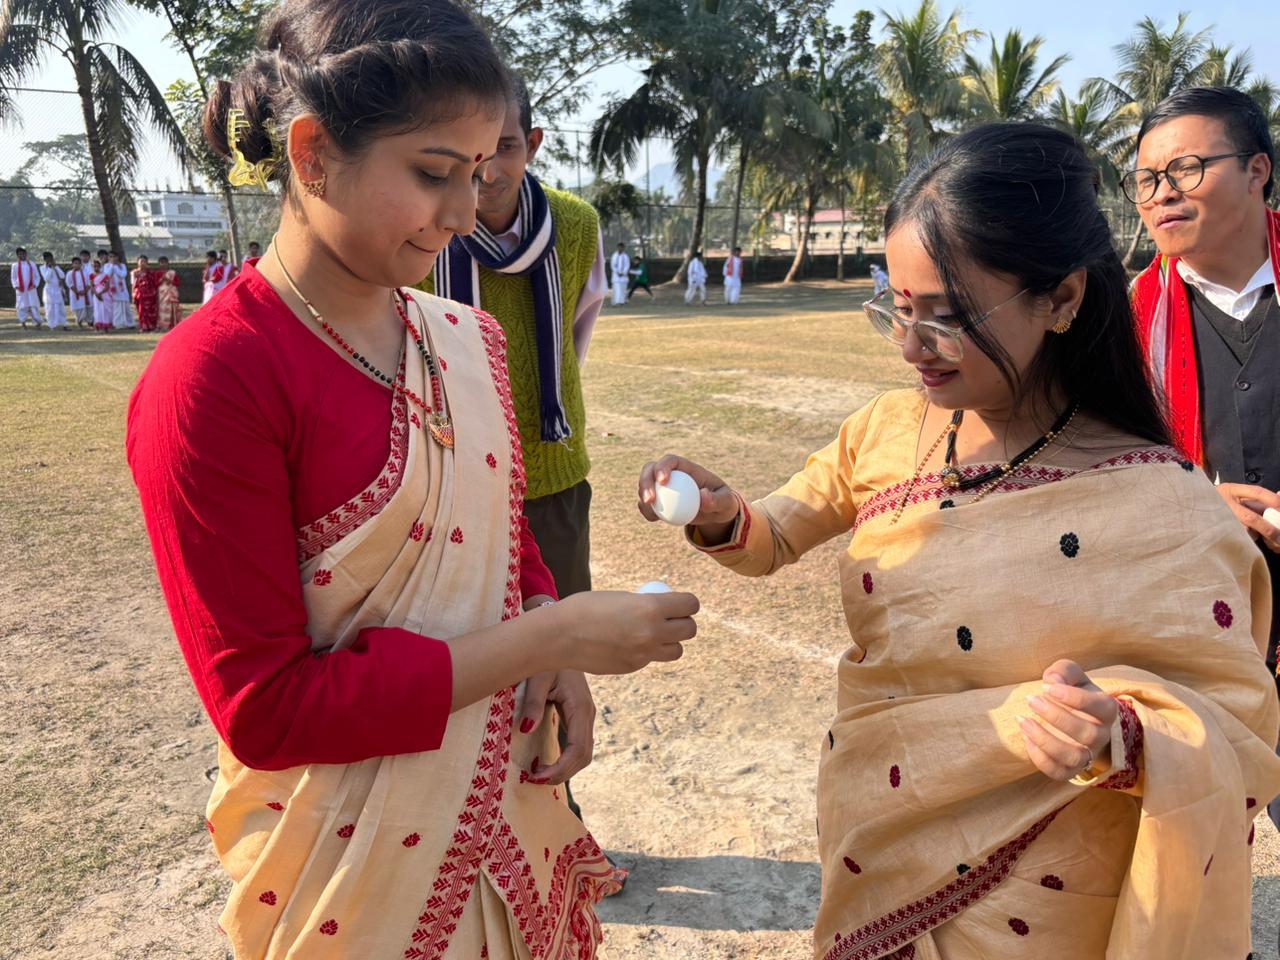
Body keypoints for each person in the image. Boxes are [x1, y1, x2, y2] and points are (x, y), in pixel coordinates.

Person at [126, 3, 698, 958]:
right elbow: (267, 709)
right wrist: (552, 634)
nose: (465, 214)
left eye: (478, 172)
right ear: (312, 153)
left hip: (507, 826)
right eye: (434, 174)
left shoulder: (467, 339)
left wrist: (545, 629)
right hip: (349, 870)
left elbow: (501, 528)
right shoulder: (213, 380)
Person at [639, 123, 1280, 958]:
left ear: (1063, 298)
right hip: (885, 855)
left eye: (947, 317)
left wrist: (1119, 737)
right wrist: (719, 512)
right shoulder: (884, 431)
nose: (912, 347)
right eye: (898, 309)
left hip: (1054, 905)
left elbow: (1240, 731)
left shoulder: (1166, 506)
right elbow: (772, 533)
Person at [418, 73, 612, 854]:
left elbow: (575, 336)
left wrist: (544, 416)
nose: (486, 170)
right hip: (454, 478)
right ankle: (472, 831)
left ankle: (556, 821)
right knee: (470, 653)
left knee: (559, 659)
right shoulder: (430, 222)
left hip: (552, 478)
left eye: (503, 148)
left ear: (532, 145)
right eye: (470, 152)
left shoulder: (576, 226)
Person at [1127, 86, 1280, 827]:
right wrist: (1197, 504)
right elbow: (1107, 469)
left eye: (1185, 169)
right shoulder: (1129, 320)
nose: (1162, 194)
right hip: (1214, 622)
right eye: (1146, 179)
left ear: (1257, 171)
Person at [10, 247, 41, 328]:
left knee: (33, 305)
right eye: (19, 254)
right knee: (22, 306)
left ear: (26, 254)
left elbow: (37, 276)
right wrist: (16, 286)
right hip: (21, 289)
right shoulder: (15, 265)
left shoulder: (32, 264)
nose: (22, 255)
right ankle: (23, 322)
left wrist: (34, 285)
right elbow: (13, 277)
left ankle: (37, 322)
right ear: (17, 255)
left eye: (23, 253)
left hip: (31, 289)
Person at [39, 251, 69, 330]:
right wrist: (50, 268)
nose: (50, 260)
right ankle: (52, 325)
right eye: (47, 259)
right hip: (49, 290)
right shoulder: (42, 268)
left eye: (51, 258)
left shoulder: (56, 266)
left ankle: (64, 324)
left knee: (61, 308)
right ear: (45, 260)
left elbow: (62, 276)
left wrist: (55, 267)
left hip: (58, 289)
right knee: (50, 309)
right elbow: (46, 278)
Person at [132, 255, 161, 332]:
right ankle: (143, 326)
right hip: (140, 294)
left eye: (144, 261)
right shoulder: (135, 273)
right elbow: (133, 284)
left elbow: (154, 284)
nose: (142, 263)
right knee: (141, 311)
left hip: (150, 294)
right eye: (141, 261)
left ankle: (151, 326)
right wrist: (133, 295)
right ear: (138, 262)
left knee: (151, 311)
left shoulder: (151, 273)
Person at [107, 250, 135, 329]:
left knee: (126, 307)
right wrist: (112, 266)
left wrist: (116, 267)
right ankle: (118, 324)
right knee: (116, 308)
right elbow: (107, 275)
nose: (113, 258)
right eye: (111, 257)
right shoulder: (107, 266)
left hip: (122, 290)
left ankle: (130, 323)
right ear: (108, 258)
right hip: (113, 290)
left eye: (114, 257)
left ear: (117, 257)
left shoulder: (122, 265)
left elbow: (123, 274)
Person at [155, 256, 182, 330]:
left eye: (165, 262)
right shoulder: (157, 273)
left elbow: (178, 283)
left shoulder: (172, 273)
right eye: (161, 263)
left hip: (171, 293)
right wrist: (162, 279)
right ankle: (163, 325)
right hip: (162, 294)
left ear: (168, 263)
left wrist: (170, 281)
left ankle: (173, 323)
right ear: (159, 264)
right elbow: (155, 284)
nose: (163, 264)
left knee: (173, 308)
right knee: (162, 309)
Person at [90, 257, 114, 332]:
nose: (96, 268)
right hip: (96, 295)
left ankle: (106, 326)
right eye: (94, 266)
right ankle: (98, 326)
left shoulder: (105, 276)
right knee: (97, 310)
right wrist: (96, 294)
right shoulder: (91, 275)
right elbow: (92, 286)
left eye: (97, 266)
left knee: (104, 310)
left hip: (104, 294)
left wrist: (100, 293)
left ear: (100, 267)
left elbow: (107, 286)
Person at [67, 255, 91, 327]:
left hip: (84, 293)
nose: (77, 265)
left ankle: (84, 321)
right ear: (72, 264)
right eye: (75, 263)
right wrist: (76, 291)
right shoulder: (70, 273)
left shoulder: (85, 273)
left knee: (83, 308)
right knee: (77, 308)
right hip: (75, 293)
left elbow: (89, 283)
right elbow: (69, 283)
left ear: (81, 264)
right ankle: (78, 321)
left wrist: (85, 291)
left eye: (78, 263)